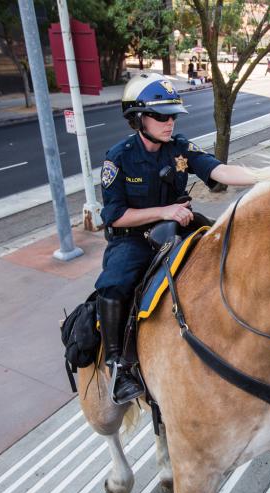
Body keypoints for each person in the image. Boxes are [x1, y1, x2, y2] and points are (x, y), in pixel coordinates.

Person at [96, 73, 256, 404]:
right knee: (113, 284)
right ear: (138, 118)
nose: (169, 122)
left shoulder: (179, 148)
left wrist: (267, 175)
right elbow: (114, 216)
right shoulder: (118, 157)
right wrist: (165, 210)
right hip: (134, 238)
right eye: (161, 116)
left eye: (172, 116)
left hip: (179, 226)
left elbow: (218, 171)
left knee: (228, 246)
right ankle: (118, 365)